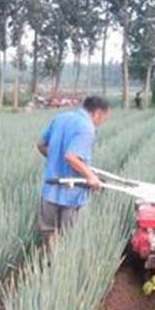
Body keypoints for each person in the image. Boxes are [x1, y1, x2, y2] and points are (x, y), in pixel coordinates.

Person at [36, 95, 110, 244]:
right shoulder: (87, 128)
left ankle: (54, 260)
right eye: (102, 119)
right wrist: (91, 177)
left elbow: (40, 144)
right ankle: (63, 263)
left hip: (49, 189)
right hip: (71, 194)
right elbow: (71, 157)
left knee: (50, 231)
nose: (100, 123)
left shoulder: (60, 117)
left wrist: (53, 160)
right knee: (69, 236)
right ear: (97, 113)